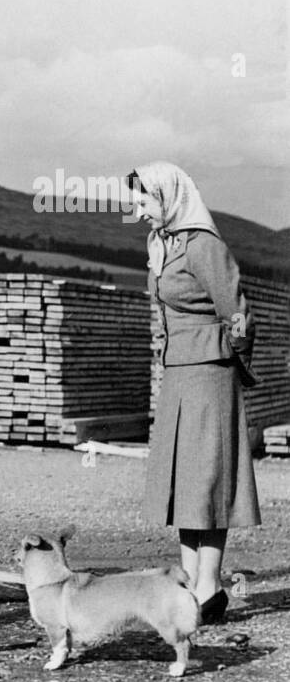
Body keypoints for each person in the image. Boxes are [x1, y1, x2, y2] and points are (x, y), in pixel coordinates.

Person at [129, 161, 260, 624]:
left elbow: (238, 314)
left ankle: (210, 584)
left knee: (209, 477)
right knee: (183, 480)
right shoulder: (160, 243)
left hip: (210, 372)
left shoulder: (205, 246)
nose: (139, 210)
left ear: (169, 197)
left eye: (145, 200)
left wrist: (234, 367)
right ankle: (188, 583)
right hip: (179, 373)